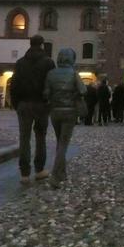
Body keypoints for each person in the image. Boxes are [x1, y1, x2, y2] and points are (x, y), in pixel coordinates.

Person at [10, 34, 55, 184]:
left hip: (23, 103)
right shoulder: (48, 63)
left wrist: (16, 104)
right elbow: (51, 84)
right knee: (40, 137)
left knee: (24, 138)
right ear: (42, 45)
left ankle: (24, 173)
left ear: (30, 44)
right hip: (42, 104)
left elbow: (14, 85)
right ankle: (39, 170)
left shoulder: (20, 63)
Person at [44, 48, 86, 189]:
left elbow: (45, 93)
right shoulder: (73, 74)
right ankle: (55, 176)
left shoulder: (50, 74)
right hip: (69, 112)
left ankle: (62, 172)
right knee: (63, 143)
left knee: (59, 142)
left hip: (55, 112)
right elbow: (83, 90)